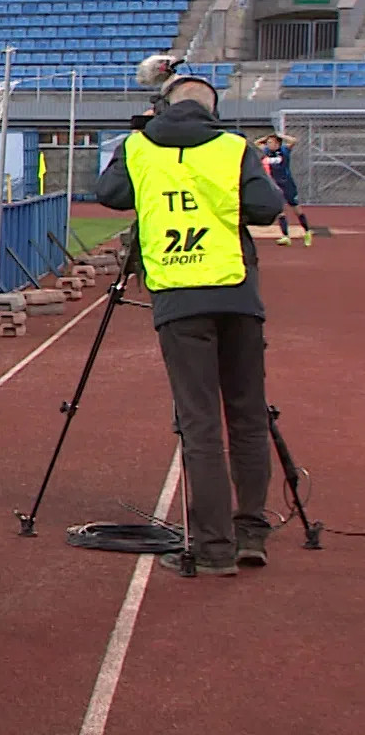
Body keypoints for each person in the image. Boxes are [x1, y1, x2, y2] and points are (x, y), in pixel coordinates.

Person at [96, 68, 284, 576]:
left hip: (179, 299)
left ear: (162, 105)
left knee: (200, 423)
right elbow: (268, 207)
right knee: (246, 416)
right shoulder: (233, 146)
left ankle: (214, 549)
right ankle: (251, 534)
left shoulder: (139, 148)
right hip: (236, 294)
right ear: (212, 109)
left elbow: (109, 194)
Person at [255, 133, 312, 247]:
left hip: (287, 184)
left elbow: (294, 140)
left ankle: (307, 232)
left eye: (271, 142)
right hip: (275, 185)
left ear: (277, 143)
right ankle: (286, 236)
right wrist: (266, 137)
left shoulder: (284, 150)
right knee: (280, 210)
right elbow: (257, 143)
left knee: (296, 209)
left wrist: (280, 135)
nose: (268, 144)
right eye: (268, 143)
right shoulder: (267, 151)